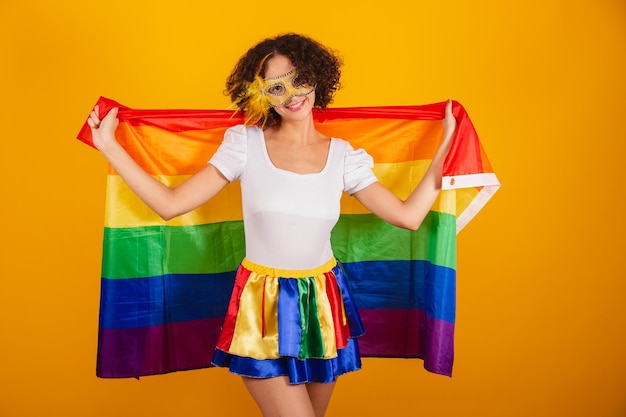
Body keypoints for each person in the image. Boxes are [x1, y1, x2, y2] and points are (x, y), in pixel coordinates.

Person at [88, 33, 457, 417]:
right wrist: (110, 146)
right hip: (261, 305)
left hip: (322, 302)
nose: (292, 94)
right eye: (276, 87)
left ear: (317, 78)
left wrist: (446, 146)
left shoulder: (344, 157)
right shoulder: (244, 145)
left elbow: (408, 216)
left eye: (299, 80)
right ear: (261, 93)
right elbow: (170, 204)